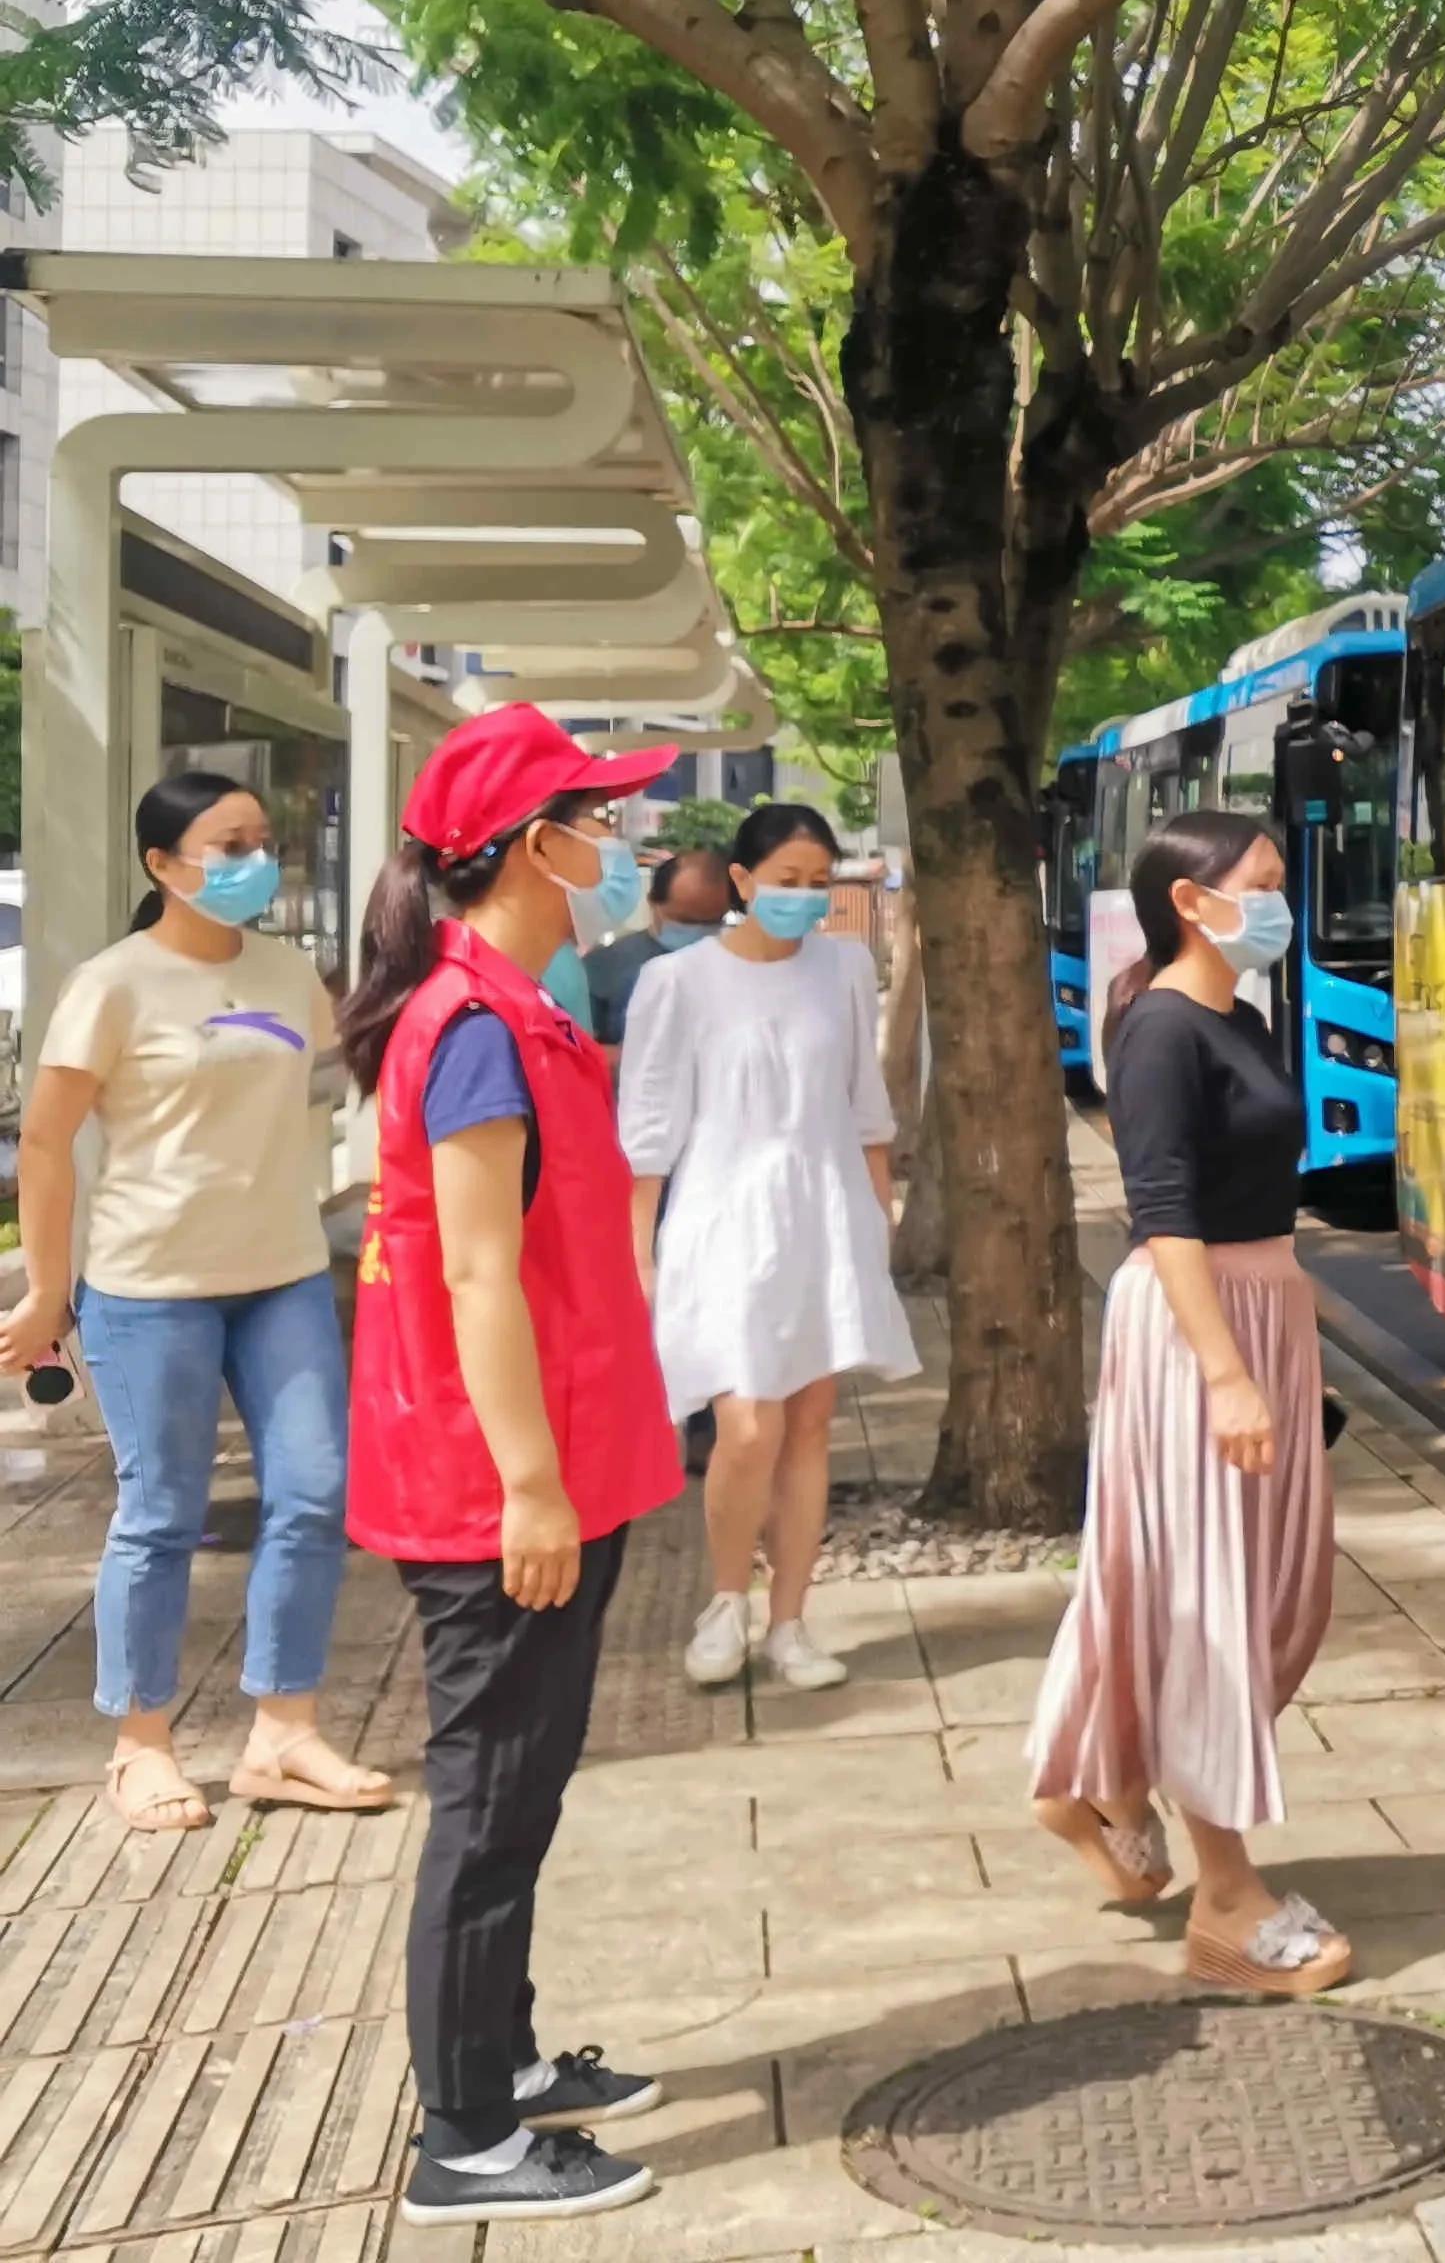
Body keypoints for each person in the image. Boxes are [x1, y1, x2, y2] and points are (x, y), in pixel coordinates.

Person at [340, 703, 685, 2226]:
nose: (619, 840)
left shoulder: (510, 1010)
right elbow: (474, 1276)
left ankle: (509, 2059)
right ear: (537, 847)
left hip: (550, 1456)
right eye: (599, 818)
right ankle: (467, 2143)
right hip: (498, 1485)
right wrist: (530, 1490)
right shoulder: (474, 1027)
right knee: (487, 1806)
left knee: (524, 1790)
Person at [0, 773, 386, 1832]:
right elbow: (46, 1143)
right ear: (163, 864)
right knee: (161, 1516)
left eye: (262, 839)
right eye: (229, 845)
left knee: (314, 1495)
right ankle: (140, 1746)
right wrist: (46, 1292)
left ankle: (283, 1735)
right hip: (149, 1288)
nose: (256, 860)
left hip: (283, 1277)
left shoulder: (286, 972)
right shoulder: (113, 985)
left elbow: (332, 1090)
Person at [1026, 810, 1346, 1993]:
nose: (1278, 901)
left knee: (1274, 1598)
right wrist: (1224, 1373)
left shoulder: (1242, 1020)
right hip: (1195, 1322)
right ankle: (1225, 1894)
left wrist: (1284, 1343)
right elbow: (1162, 1215)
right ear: (1190, 902)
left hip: (1263, 1310)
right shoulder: (1160, 1029)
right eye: (1259, 881)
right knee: (1208, 1601)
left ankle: (1102, 1782)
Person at [621, 804, 909, 1692]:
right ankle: (724, 1602)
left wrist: (880, 1219)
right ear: (742, 881)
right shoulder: (678, 982)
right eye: (787, 880)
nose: (805, 897)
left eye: (820, 882)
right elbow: (650, 1129)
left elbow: (866, 1105)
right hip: (724, 1219)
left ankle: (790, 1619)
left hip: (826, 1214)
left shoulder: (844, 968)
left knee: (811, 1424)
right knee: (747, 1424)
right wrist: (641, 1254)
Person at [586, 848, 734, 1073]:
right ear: (653, 902)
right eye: (686, 921)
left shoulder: (747, 966)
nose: (699, 931)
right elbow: (572, 1052)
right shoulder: (606, 965)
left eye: (711, 922)